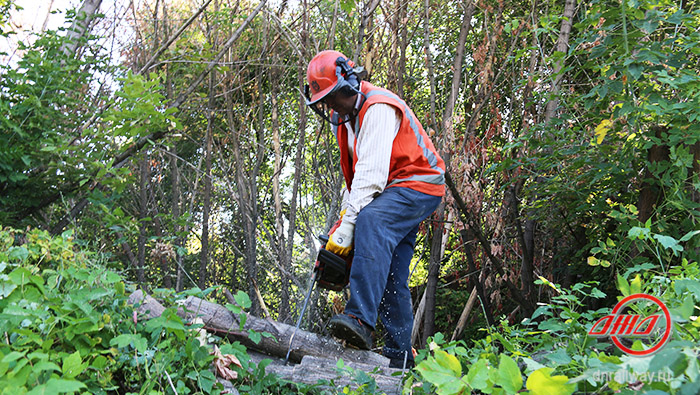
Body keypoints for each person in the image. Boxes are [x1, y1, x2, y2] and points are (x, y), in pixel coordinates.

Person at [304, 50, 445, 368]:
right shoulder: (347, 123)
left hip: (419, 183)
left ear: (349, 84)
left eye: (334, 96)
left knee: (370, 221)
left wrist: (350, 227)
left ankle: (359, 320)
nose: (332, 105)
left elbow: (372, 177)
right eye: (325, 100)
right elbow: (355, 185)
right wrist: (339, 235)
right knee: (391, 272)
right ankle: (400, 359)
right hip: (394, 190)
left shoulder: (377, 107)